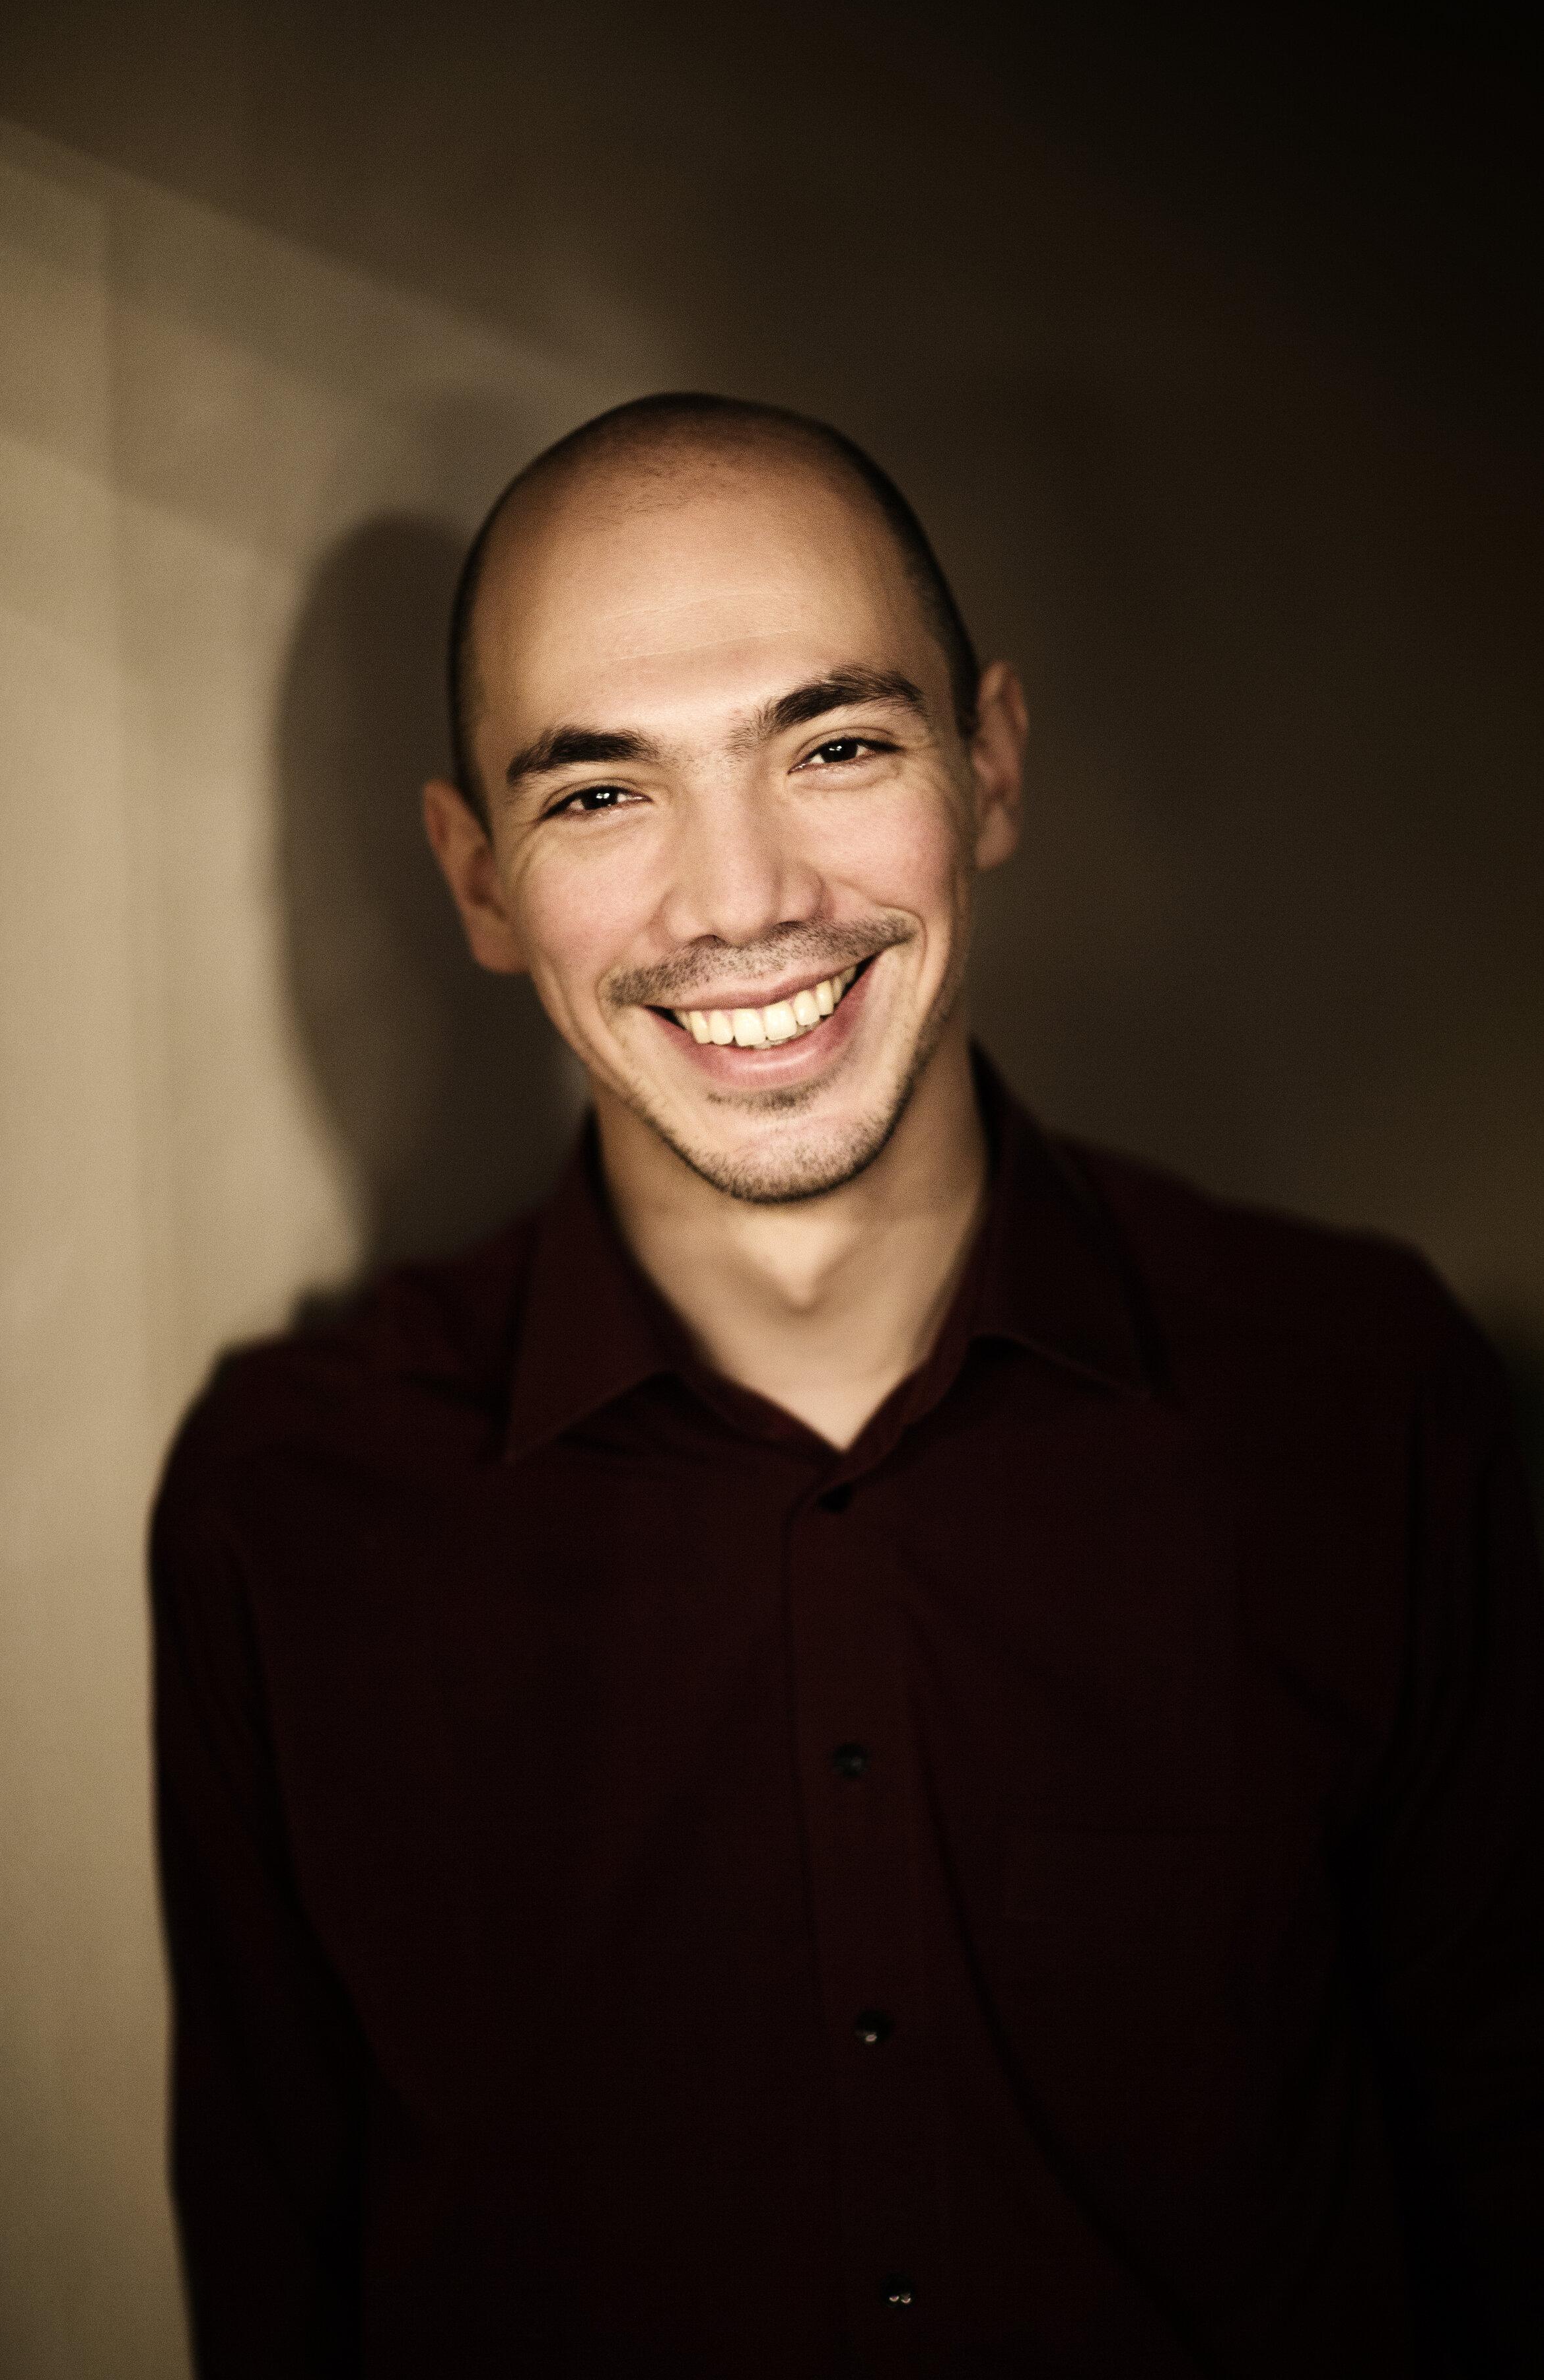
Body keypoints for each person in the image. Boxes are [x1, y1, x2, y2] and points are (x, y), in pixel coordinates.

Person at [151, 393, 1541, 2378]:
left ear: (988, 766)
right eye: (599, 794)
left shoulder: (1365, 1399)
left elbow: (1505, 2172)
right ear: (473, 878)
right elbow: (284, 2281)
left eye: (834, 745)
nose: (741, 902)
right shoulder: (282, 1509)